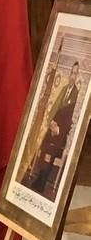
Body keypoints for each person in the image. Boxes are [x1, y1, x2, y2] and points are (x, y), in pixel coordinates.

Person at [26, 61, 79, 196]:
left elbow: (69, 115)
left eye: (75, 73)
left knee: (53, 150)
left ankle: (41, 183)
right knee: (43, 144)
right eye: (71, 73)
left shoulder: (75, 93)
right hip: (54, 125)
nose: (72, 76)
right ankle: (37, 176)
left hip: (62, 130)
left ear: (77, 75)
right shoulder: (64, 89)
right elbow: (55, 107)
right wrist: (52, 123)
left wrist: (58, 128)